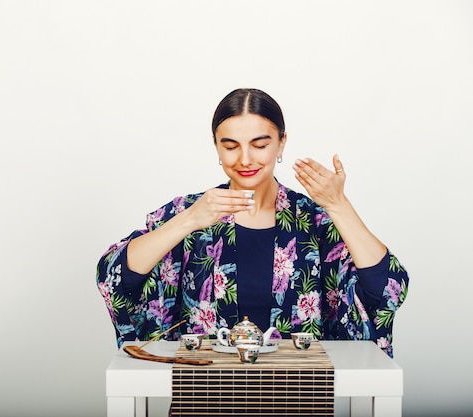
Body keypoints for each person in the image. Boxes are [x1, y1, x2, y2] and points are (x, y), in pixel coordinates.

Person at [96, 88, 409, 357]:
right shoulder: (191, 211)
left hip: (297, 397)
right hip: (203, 396)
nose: (245, 159)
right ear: (216, 146)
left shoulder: (313, 220)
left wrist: (338, 205)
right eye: (230, 146)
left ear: (281, 143)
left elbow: (386, 291)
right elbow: (115, 280)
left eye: (260, 145)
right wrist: (187, 221)